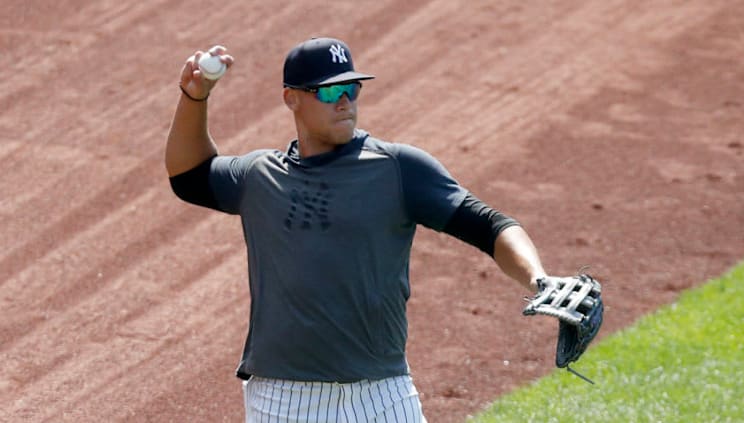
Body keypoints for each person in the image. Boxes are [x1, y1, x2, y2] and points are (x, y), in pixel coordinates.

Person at [166, 37, 547, 423]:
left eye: (352, 87)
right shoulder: (260, 176)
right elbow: (188, 177)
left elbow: (490, 225)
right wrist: (194, 99)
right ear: (291, 98)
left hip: (381, 393)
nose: (346, 101)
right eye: (331, 91)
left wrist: (539, 279)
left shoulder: (398, 168)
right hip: (281, 398)